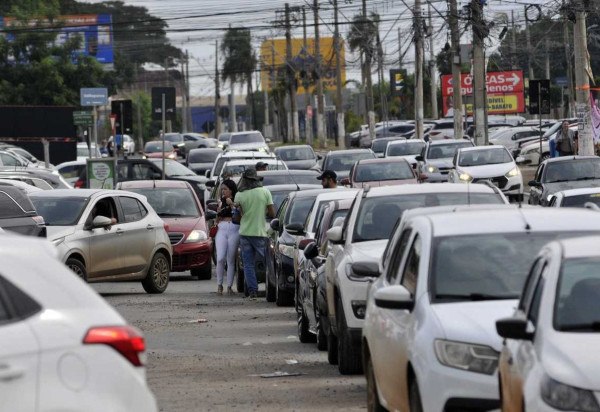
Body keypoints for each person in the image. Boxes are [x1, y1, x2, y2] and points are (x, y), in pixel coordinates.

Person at [234, 168, 275, 299]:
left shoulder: (239, 195)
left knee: (248, 264)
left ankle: (253, 291)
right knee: (268, 262)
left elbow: (238, 217)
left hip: (245, 232)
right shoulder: (265, 192)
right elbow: (272, 213)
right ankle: (272, 285)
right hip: (260, 233)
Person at [215, 179, 240, 295]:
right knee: (220, 258)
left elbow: (239, 214)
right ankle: (219, 284)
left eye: (225, 189)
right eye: (222, 189)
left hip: (234, 228)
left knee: (231, 259)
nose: (223, 191)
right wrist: (218, 213)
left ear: (231, 190)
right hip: (222, 228)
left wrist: (231, 204)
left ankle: (229, 286)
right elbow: (217, 219)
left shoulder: (237, 201)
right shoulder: (221, 202)